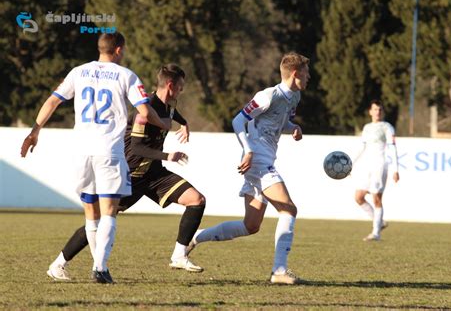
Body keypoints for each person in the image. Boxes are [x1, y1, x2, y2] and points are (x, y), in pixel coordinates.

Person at [21, 32, 169, 284]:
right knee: (109, 212)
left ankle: (99, 267)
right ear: (119, 50)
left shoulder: (78, 72)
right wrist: (165, 124)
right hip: (108, 151)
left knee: (91, 214)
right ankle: (100, 268)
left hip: (81, 151)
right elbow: (145, 111)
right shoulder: (126, 75)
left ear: (100, 48)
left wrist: (35, 130)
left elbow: (53, 101)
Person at [46, 64, 207, 281]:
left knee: (197, 200)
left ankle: (179, 255)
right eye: (180, 87)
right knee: (101, 220)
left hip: (155, 173)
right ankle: (58, 264)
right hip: (131, 175)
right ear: (170, 86)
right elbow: (138, 148)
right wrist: (168, 155)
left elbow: (172, 113)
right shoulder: (145, 110)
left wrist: (184, 123)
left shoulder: (169, 104)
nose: (181, 91)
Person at [186, 52, 310, 285]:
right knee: (289, 210)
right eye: (306, 73)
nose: (309, 77)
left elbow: (279, 122)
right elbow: (237, 120)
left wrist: (294, 127)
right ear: (295, 74)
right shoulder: (268, 95)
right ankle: (279, 271)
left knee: (250, 225)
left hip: (264, 159)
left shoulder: (295, 97)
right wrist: (248, 149)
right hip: (258, 160)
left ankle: (195, 237)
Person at [352, 100, 400, 241]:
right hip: (367, 166)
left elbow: (392, 147)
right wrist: (351, 164)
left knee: (376, 199)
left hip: (380, 166)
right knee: (358, 197)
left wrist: (395, 169)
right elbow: (362, 147)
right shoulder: (367, 127)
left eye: (380, 109)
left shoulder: (387, 127)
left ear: (382, 112)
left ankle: (376, 233)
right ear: (370, 111)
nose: (377, 112)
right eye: (375, 109)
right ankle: (380, 223)